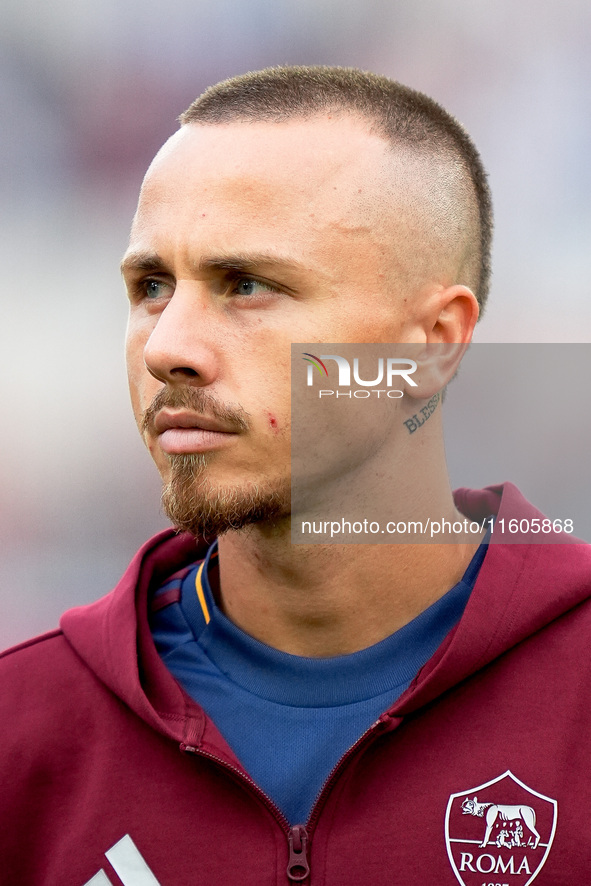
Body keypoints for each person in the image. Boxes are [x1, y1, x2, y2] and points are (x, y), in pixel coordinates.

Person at [1, 66, 589, 886]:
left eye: (246, 286)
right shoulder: (23, 728)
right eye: (151, 287)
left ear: (430, 342)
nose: (168, 345)